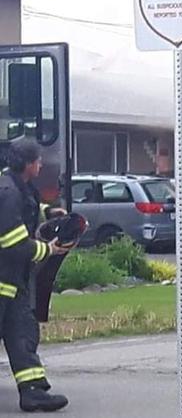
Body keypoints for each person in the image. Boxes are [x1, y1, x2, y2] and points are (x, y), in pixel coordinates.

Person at [0, 141, 70, 412]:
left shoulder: (17, 187)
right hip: (5, 281)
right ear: (28, 164)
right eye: (38, 161)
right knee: (20, 332)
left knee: (23, 335)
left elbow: (25, 212)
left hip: (11, 285)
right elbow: (13, 242)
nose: (41, 165)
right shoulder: (7, 192)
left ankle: (33, 391)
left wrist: (49, 213)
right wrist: (48, 249)